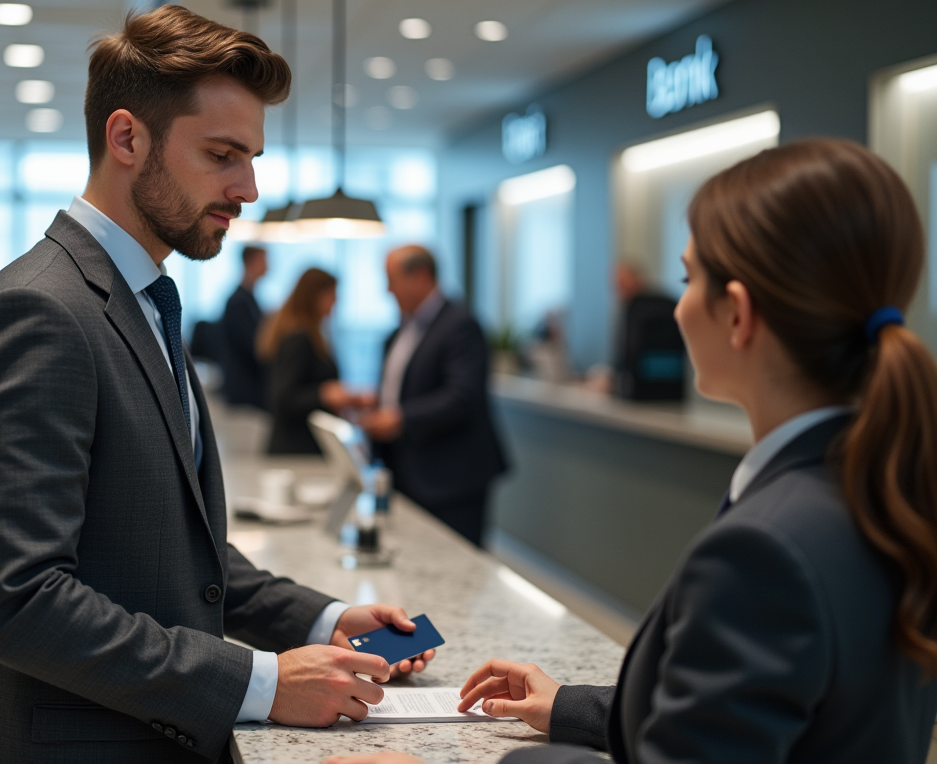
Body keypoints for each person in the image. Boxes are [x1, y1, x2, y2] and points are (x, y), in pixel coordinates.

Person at [329, 139, 937, 764]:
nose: (676, 305)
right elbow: (736, 717)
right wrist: (569, 705)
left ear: (739, 315)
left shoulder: (767, 548)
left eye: (688, 277)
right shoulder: (881, 485)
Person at [0, 6, 432, 764]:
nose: (251, 188)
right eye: (224, 154)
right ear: (128, 138)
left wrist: (319, 619)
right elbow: (20, 602)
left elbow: (171, 556)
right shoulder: (38, 311)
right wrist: (261, 684)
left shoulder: (142, 299)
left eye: (253, 156)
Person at [359, 246, 507, 547]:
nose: (387, 290)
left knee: (456, 569)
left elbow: (463, 395)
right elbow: (400, 389)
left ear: (421, 276)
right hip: (406, 470)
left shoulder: (460, 325)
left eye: (392, 279)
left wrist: (399, 417)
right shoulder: (400, 331)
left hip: (451, 476)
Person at [259, 268, 367, 455]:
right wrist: (324, 394)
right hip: (296, 450)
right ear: (315, 296)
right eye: (332, 294)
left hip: (301, 446)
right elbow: (282, 399)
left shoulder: (314, 335)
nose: (336, 301)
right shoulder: (299, 339)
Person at [611, 261, 686, 401]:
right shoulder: (669, 303)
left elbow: (628, 353)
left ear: (637, 279)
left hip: (643, 392)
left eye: (622, 282)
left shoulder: (636, 308)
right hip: (675, 392)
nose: (618, 288)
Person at [219, 244, 269, 408]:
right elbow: (251, 345)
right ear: (250, 262)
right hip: (243, 391)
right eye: (263, 260)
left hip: (251, 387)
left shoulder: (250, 299)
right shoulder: (238, 302)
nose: (268, 265)